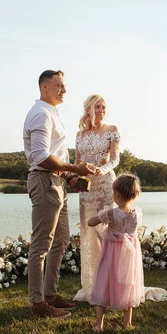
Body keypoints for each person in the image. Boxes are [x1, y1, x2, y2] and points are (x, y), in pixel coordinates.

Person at [23, 69, 96, 319]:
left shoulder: (52, 114)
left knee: (62, 240)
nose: (64, 90)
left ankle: (51, 295)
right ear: (44, 87)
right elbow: (41, 157)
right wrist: (74, 167)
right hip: (44, 183)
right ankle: (38, 304)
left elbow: (54, 155)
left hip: (57, 183)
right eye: (59, 86)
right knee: (41, 245)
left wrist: (70, 177)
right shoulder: (41, 115)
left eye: (65, 86)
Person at [72, 94, 121, 303]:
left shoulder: (112, 130)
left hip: (106, 185)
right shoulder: (80, 135)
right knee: (89, 234)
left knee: (107, 234)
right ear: (88, 110)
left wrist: (103, 169)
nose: (101, 110)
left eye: (103, 107)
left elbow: (116, 158)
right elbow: (76, 162)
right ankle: (92, 287)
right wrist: (75, 178)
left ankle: (113, 287)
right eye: (97, 107)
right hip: (87, 190)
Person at [87, 173, 145, 331]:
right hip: (129, 254)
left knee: (105, 282)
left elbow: (91, 222)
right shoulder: (137, 214)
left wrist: (99, 216)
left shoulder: (111, 213)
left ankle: (99, 323)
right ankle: (127, 323)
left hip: (112, 253)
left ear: (117, 195)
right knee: (128, 283)